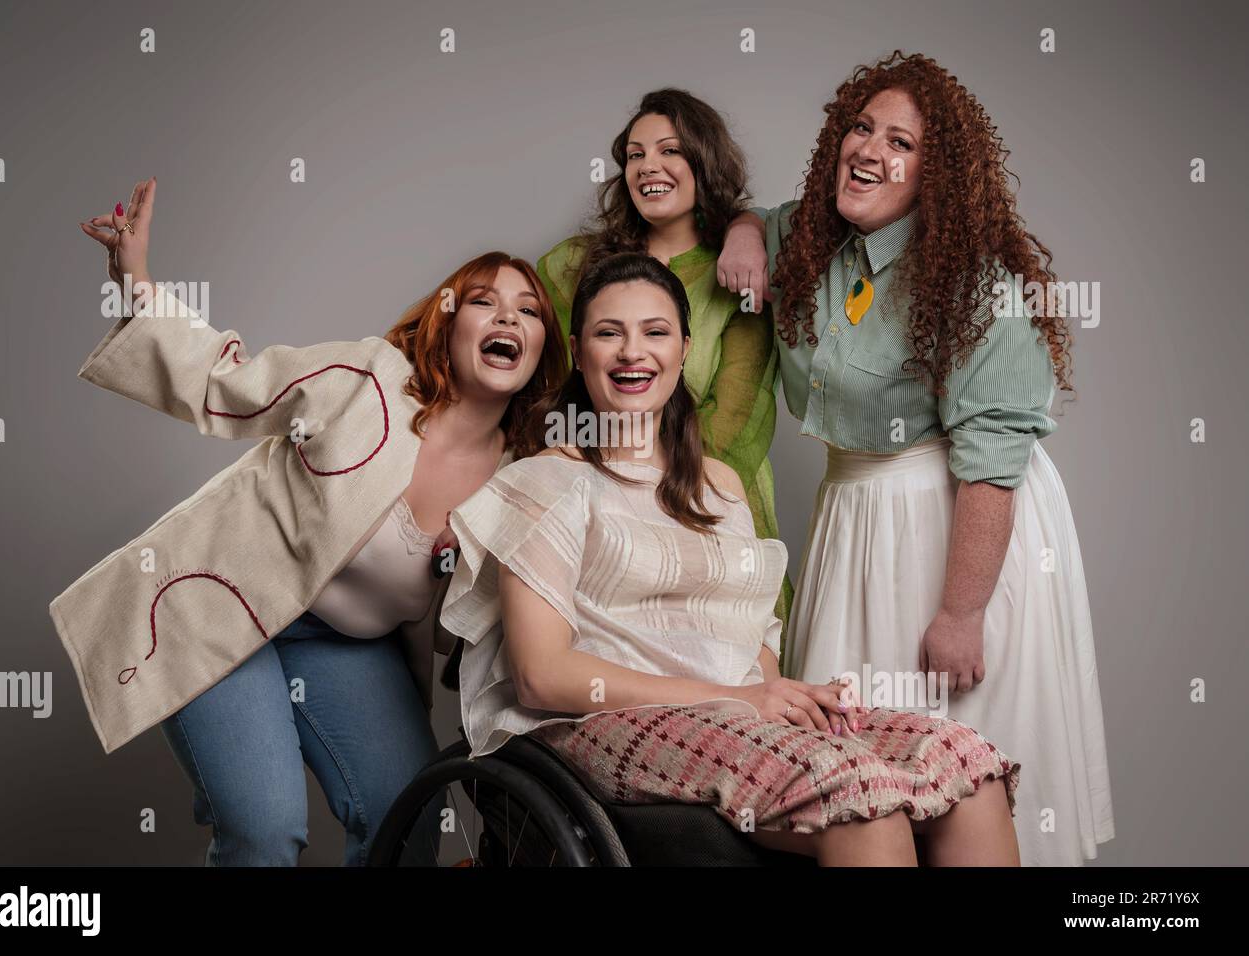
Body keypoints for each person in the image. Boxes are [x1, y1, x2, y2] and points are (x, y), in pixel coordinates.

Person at [439, 252, 1020, 866]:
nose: (633, 352)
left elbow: (748, 635)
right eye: (610, 333)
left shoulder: (719, 486)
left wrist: (782, 695)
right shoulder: (546, 482)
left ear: (684, 348)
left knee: (964, 763)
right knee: (859, 790)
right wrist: (732, 697)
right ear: (580, 352)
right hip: (601, 721)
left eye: (655, 332)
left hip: (735, 711)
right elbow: (541, 674)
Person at [51, 176, 566, 865]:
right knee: (265, 830)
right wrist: (136, 278)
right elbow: (224, 381)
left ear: (540, 346)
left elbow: (482, 635)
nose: (508, 319)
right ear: (449, 323)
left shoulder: (519, 478)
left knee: (408, 817)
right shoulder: (366, 381)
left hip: (349, 647)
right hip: (221, 610)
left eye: (528, 311)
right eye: (485, 302)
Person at [715, 51, 1113, 865]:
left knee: (967, 750)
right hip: (854, 512)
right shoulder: (813, 240)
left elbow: (993, 464)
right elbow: (758, 214)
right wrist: (747, 234)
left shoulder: (978, 287)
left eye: (901, 142)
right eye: (861, 128)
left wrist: (962, 611)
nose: (870, 150)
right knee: (856, 772)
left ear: (938, 175)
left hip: (959, 518)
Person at [536, 90, 792, 653]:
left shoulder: (741, 273)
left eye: (669, 150)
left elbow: (737, 426)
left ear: (705, 161)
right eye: (634, 155)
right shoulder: (573, 267)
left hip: (709, 498)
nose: (648, 166)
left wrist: (651, 507)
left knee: (733, 686)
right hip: (595, 497)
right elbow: (551, 393)